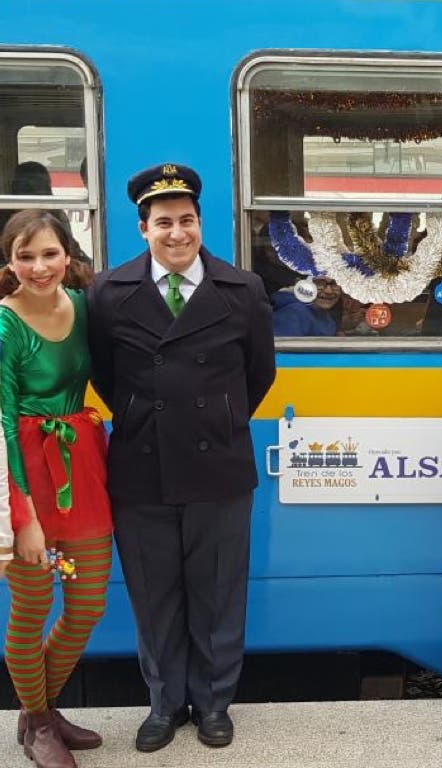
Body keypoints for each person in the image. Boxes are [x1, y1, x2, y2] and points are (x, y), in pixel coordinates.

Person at [87, 163, 275, 752]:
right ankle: (164, 705)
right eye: (163, 221)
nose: (177, 232)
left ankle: (215, 703)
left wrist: (215, 417)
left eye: (187, 220)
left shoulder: (241, 290)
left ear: (200, 223)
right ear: (142, 228)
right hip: (141, 467)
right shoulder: (108, 294)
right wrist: (147, 416)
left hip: (218, 465)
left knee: (219, 591)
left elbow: (258, 375)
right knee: (154, 593)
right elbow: (105, 376)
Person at [0, 209, 110, 768]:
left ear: (68, 255)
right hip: (26, 474)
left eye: (49, 254)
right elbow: (1, 422)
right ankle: (41, 722)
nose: (38, 267)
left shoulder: (87, 308)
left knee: (88, 603)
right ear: (10, 262)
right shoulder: (3, 324)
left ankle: (36, 709)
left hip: (81, 465)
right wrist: (25, 518)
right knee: (33, 603)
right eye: (25, 256)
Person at [272, 275, 343, 336]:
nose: (329, 291)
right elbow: (281, 350)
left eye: (335, 284)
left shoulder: (324, 316)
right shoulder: (294, 313)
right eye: (319, 283)